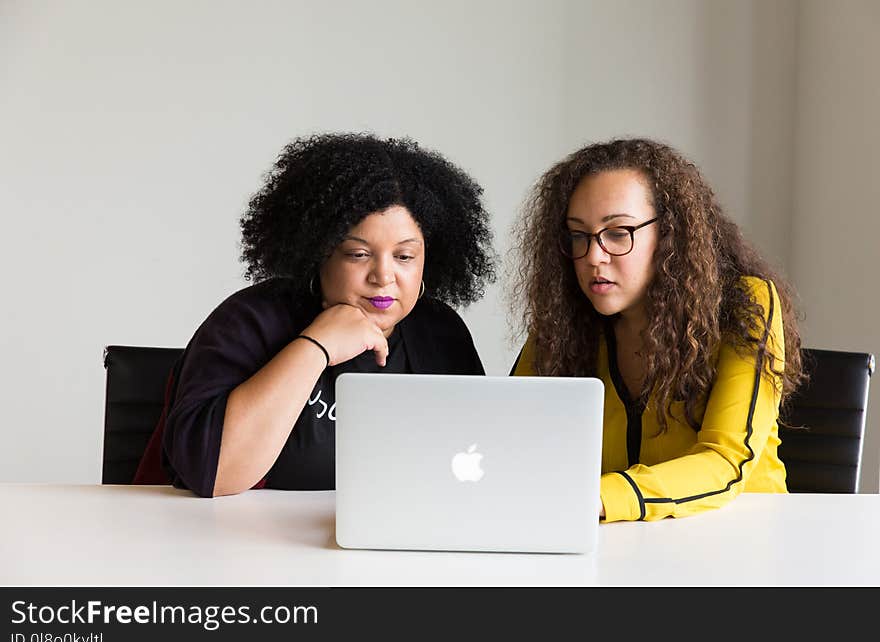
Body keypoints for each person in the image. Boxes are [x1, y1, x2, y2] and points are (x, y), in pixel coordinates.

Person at [140, 133, 495, 497]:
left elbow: (482, 461)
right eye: (358, 254)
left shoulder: (440, 332)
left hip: (395, 543)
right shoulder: (251, 320)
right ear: (319, 252)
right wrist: (316, 345)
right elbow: (212, 475)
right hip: (241, 543)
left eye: (404, 257)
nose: (383, 276)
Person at [509, 137, 805, 522]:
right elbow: (510, 434)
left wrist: (595, 498)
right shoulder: (565, 319)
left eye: (618, 233)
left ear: (670, 235)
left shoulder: (744, 305)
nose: (593, 256)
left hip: (742, 544)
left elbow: (725, 461)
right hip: (610, 546)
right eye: (578, 236)